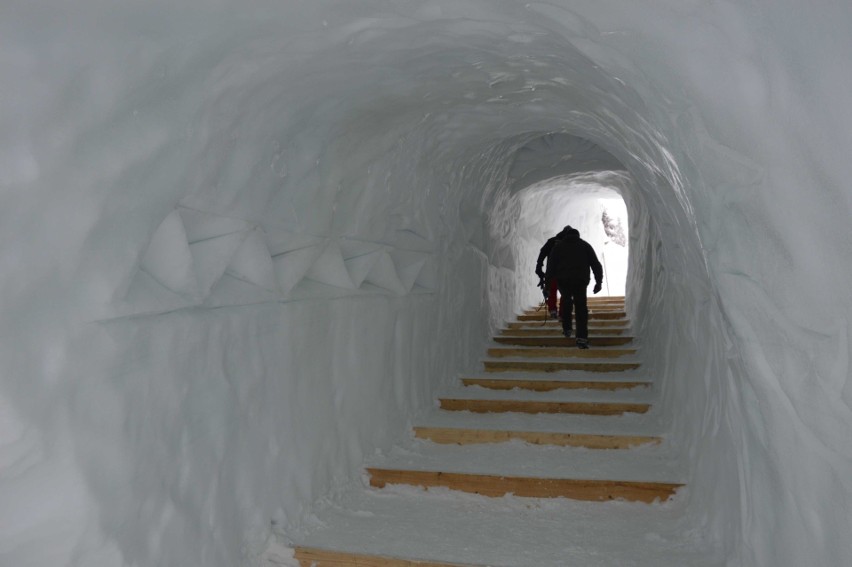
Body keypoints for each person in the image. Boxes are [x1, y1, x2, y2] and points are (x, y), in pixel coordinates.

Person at [545, 228, 603, 349]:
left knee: (566, 303)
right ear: (578, 235)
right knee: (581, 308)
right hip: (580, 282)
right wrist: (598, 282)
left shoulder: (558, 247)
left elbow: (550, 268)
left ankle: (567, 329)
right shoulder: (585, 246)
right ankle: (581, 337)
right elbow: (596, 264)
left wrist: (547, 286)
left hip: (564, 282)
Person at [534, 226, 572, 319]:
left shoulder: (552, 241)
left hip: (551, 272)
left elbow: (542, 252)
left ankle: (553, 310)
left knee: (552, 292)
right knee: (565, 293)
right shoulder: (570, 243)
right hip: (564, 274)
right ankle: (562, 313)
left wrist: (539, 266)